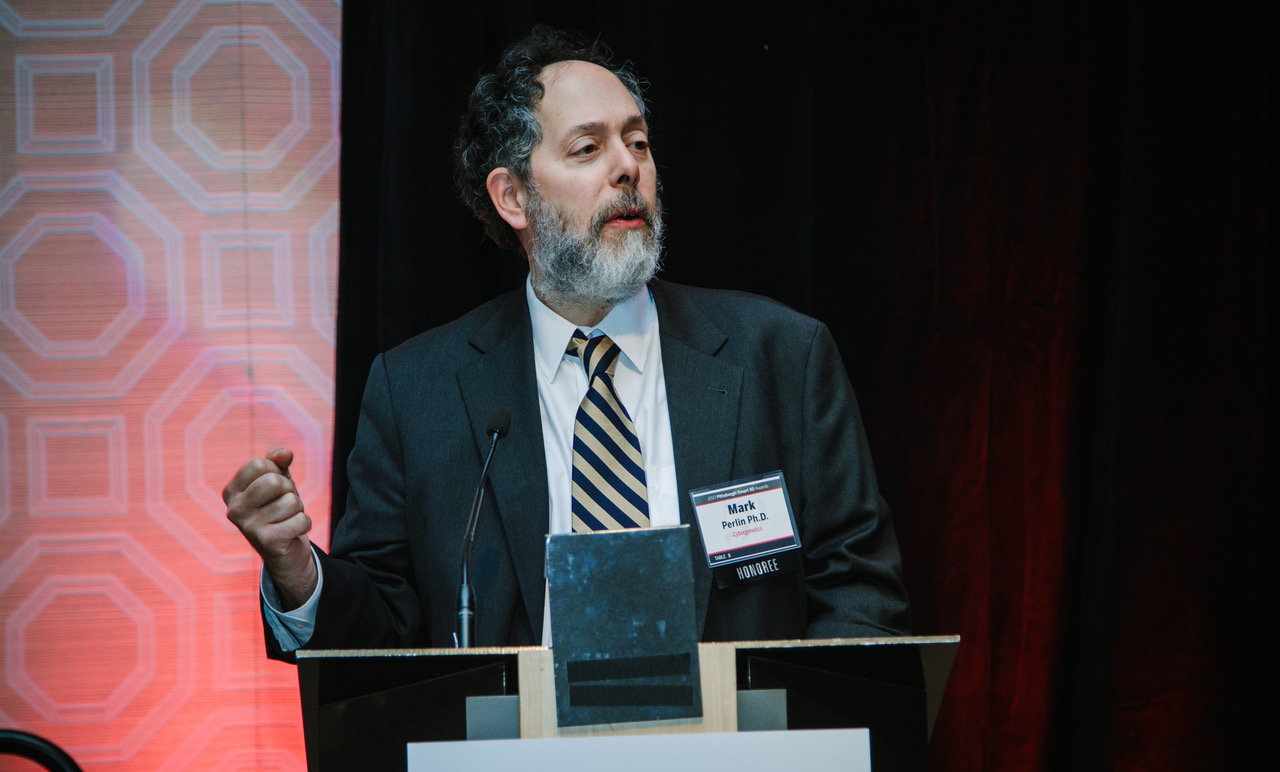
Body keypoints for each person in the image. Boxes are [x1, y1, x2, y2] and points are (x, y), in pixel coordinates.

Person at [223, 26, 910, 657]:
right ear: (513, 197)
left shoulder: (782, 357)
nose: (627, 168)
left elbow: (861, 593)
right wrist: (297, 569)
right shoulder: (417, 392)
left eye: (637, 142)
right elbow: (384, 636)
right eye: (588, 149)